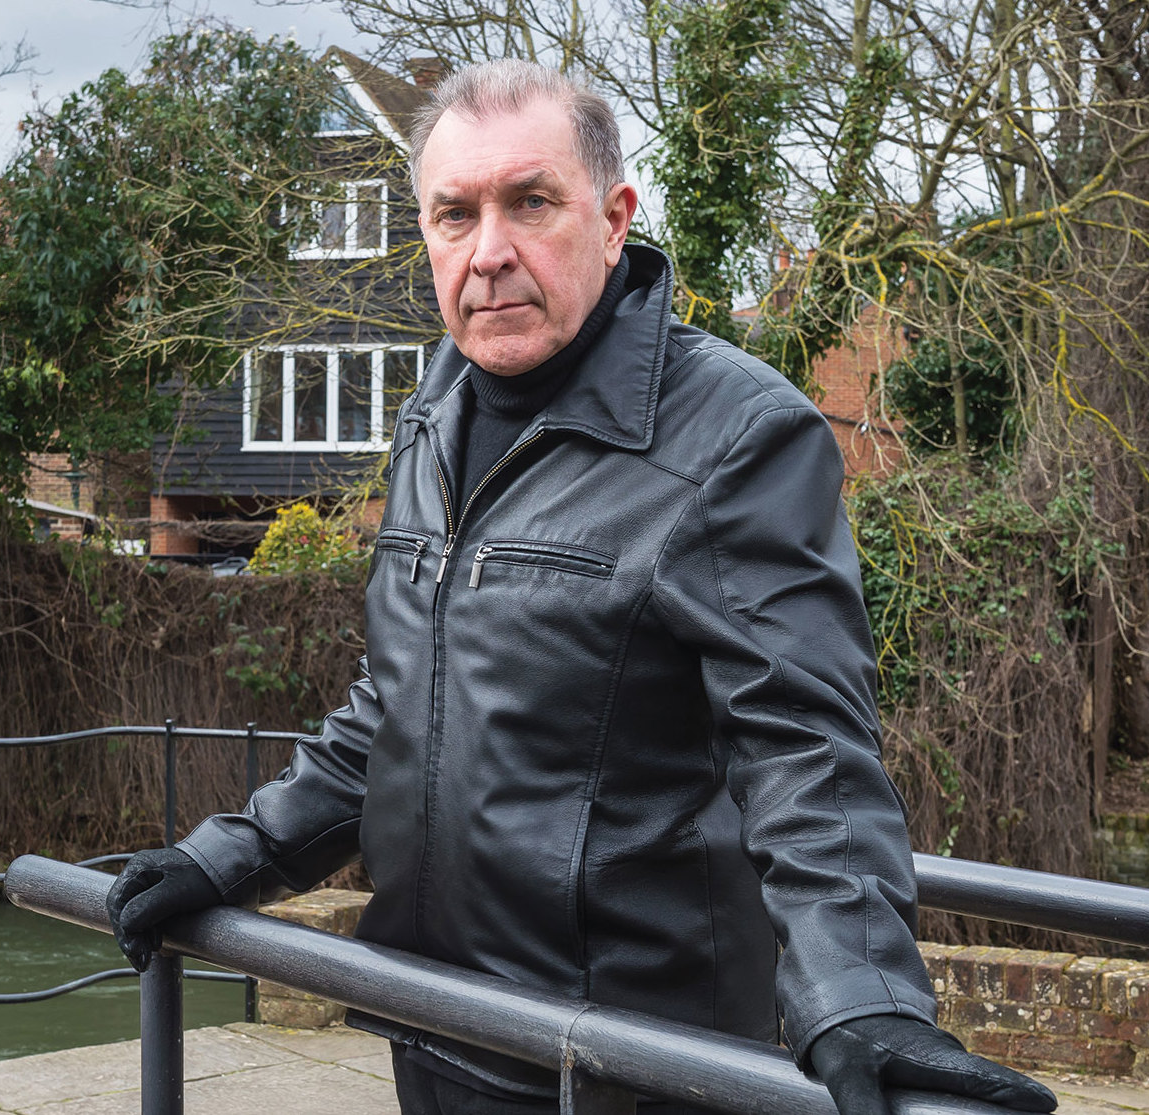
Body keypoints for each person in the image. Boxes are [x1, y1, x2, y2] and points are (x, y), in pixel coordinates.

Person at [109, 59, 1061, 1115]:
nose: (489, 253)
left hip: (622, 1066)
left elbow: (802, 747)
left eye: (529, 203)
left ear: (612, 219)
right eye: (452, 214)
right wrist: (229, 856)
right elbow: (396, 706)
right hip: (433, 1023)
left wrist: (860, 992)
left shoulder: (735, 434)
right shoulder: (434, 414)